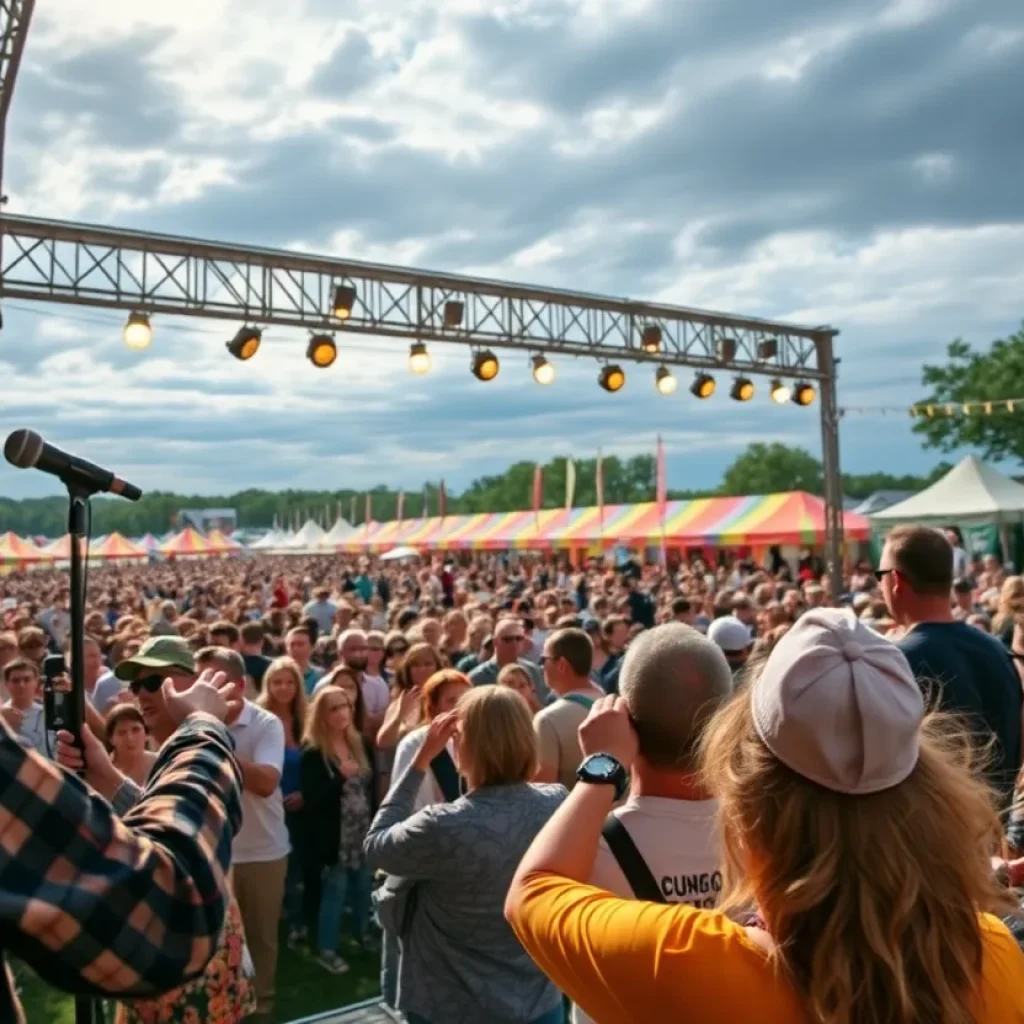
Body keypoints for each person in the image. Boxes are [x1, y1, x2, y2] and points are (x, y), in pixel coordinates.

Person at [506, 609, 1024, 1023]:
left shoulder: (693, 964)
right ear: (934, 795)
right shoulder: (992, 956)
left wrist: (603, 768)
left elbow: (533, 891)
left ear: (748, 803)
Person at [4, 671, 242, 1021]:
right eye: (135, 685)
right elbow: (164, 908)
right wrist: (203, 728)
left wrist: (103, 780)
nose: (143, 693)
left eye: (155, 682)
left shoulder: (150, 758)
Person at [365, 686, 567, 1024]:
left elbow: (376, 846)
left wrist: (419, 762)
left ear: (463, 747)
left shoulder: (443, 824)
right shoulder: (556, 802)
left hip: (450, 1003)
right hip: (537, 997)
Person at [880, 525, 1023, 808]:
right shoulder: (997, 650)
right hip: (992, 824)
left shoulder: (895, 661)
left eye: (879, 576)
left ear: (895, 580)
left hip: (926, 829)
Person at [193, 646, 290, 1024]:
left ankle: (262, 1007)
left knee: (261, 938)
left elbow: (266, 782)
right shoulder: (195, 723)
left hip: (264, 850)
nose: (199, 688)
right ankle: (225, 1009)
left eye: (208, 680)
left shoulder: (265, 724)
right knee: (219, 942)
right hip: (214, 853)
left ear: (236, 684)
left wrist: (213, 745)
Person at [301, 687, 376, 974]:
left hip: (362, 830)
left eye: (345, 706)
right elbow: (313, 799)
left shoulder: (360, 743)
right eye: (334, 708)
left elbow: (370, 789)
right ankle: (327, 949)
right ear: (321, 714)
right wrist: (339, 778)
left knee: (363, 887)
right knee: (335, 891)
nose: (342, 712)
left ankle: (363, 934)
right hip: (335, 837)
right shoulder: (314, 753)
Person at [533, 628, 604, 789]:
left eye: (544, 659)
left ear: (562, 665)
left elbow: (543, 789)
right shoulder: (610, 704)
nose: (541, 666)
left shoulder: (547, 720)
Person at [391, 669, 471, 810]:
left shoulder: (480, 740)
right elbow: (406, 800)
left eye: (466, 699)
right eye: (451, 701)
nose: (461, 707)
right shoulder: (414, 744)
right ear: (434, 707)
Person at [469, 617, 549, 706]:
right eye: (507, 639)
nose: (514, 643)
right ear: (495, 642)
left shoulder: (533, 671)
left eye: (518, 638)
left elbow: (543, 705)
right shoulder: (477, 677)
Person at [105, 702, 157, 787]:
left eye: (136, 730)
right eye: (122, 732)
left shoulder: (159, 764)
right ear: (111, 739)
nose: (130, 738)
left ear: (146, 733)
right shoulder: (104, 771)